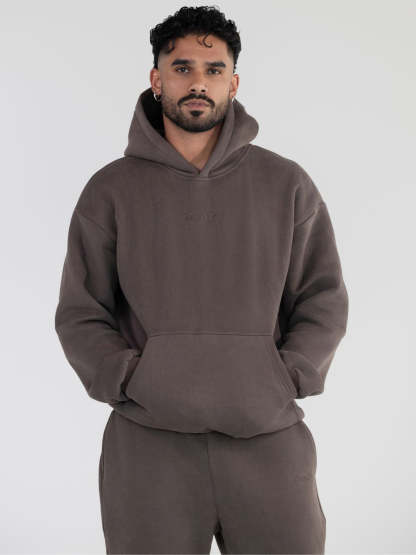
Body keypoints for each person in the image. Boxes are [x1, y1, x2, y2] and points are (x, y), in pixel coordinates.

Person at [54, 5, 349, 554]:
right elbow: (81, 311)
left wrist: (284, 376)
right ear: (156, 78)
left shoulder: (286, 183)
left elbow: (322, 298)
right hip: (149, 445)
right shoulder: (110, 190)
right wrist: (130, 380)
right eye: (182, 67)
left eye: (214, 70)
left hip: (267, 439)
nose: (198, 83)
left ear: (233, 83)